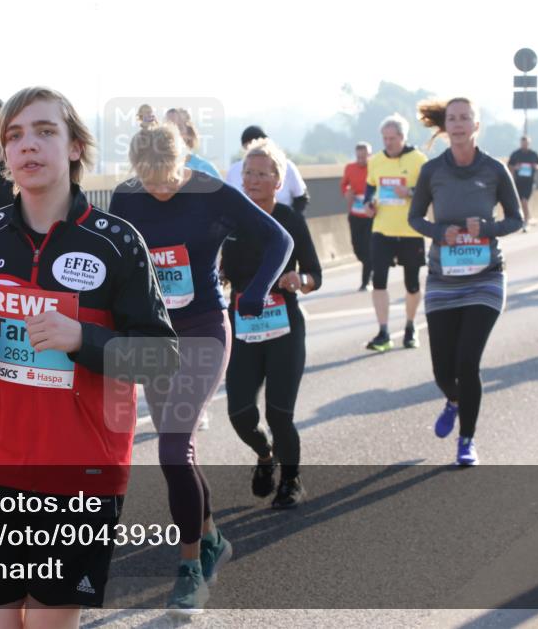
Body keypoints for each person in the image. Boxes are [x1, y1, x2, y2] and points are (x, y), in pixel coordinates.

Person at [0, 87, 177, 628]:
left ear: (74, 147)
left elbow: (162, 359)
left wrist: (81, 340)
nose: (29, 145)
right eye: (15, 135)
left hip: (83, 475)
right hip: (3, 467)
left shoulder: (116, 242)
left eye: (46, 131)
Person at [110, 122, 292, 614]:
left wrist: (253, 292)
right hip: (154, 335)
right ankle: (210, 538)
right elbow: (116, 265)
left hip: (205, 329)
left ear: (183, 163)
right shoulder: (126, 199)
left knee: (172, 447)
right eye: (147, 180)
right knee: (178, 454)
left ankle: (191, 570)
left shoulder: (212, 194)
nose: (157, 188)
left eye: (165, 178)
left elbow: (279, 241)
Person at [409, 97, 523, 466]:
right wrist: (441, 232)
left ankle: (467, 441)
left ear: (476, 125)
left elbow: (516, 218)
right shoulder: (431, 171)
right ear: (446, 126)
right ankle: (454, 399)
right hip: (443, 277)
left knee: (467, 363)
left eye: (465, 118)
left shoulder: (493, 169)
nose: (458, 124)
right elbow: (415, 219)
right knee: (443, 370)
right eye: (452, 118)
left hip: (486, 278)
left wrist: (486, 228)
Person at [222, 139, 321, 509]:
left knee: (279, 414)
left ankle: (292, 480)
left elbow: (315, 273)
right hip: (243, 328)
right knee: (239, 413)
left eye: (263, 174)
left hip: (284, 327)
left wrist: (301, 281)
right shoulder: (229, 219)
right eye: (248, 172)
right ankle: (265, 456)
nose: (253, 179)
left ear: (278, 181)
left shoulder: (290, 220)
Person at [362, 113, 429, 351]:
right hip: (382, 229)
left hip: (411, 231)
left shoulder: (419, 160)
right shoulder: (376, 160)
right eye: (384, 138)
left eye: (392, 138)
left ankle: (411, 328)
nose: (387, 142)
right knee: (378, 281)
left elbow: (429, 192)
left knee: (412, 284)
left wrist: (410, 192)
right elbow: (370, 188)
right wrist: (369, 204)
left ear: (402, 137)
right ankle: (383, 332)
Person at [225, 125, 311, 213]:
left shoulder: (286, 165)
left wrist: (292, 218)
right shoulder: (233, 170)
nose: (254, 181)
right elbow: (228, 200)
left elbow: (301, 197)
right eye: (248, 173)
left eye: (262, 174)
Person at [340, 142, 373, 289]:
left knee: (368, 248)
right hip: (355, 212)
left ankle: (366, 281)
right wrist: (347, 192)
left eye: (364, 156)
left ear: (369, 155)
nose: (361, 159)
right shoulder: (350, 168)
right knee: (358, 249)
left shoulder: (375, 167)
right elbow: (343, 185)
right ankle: (369, 267)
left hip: (371, 214)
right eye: (359, 157)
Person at [165, 107, 221, 179]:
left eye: (179, 127)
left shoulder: (206, 169)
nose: (173, 133)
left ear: (189, 133)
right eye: (168, 128)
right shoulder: (154, 170)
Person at [507, 136, 538, 232]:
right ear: (520, 143)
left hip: (529, 182)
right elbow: (509, 166)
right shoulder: (516, 154)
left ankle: (526, 221)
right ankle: (525, 218)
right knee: (520, 202)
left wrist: (535, 166)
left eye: (526, 143)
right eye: (523, 143)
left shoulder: (533, 154)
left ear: (529, 143)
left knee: (524, 201)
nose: (524, 145)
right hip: (518, 182)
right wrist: (515, 167)